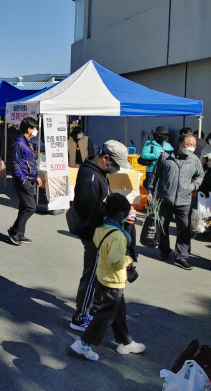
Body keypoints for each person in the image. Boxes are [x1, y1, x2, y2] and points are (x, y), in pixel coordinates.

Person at [70, 194, 145, 362]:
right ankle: (84, 343)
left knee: (118, 310)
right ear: (121, 215)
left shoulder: (101, 226)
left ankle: (125, 341)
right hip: (114, 280)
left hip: (103, 276)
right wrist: (129, 259)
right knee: (106, 315)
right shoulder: (117, 236)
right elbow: (116, 261)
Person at [69, 140, 131, 332]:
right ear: (105, 158)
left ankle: (93, 309)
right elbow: (92, 212)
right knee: (92, 275)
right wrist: (113, 216)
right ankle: (80, 317)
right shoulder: (91, 177)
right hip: (93, 233)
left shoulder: (97, 171)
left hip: (98, 231)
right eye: (115, 164)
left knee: (97, 273)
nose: (117, 168)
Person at [147, 133, 204, 270]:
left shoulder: (194, 160)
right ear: (179, 144)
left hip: (184, 201)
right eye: (188, 144)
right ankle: (164, 251)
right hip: (165, 199)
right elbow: (155, 175)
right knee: (163, 227)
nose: (191, 148)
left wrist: (193, 186)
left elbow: (200, 175)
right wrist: (150, 190)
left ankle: (181, 257)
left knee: (183, 230)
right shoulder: (165, 157)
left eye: (194, 145)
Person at [8, 117, 42, 246]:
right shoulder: (19, 143)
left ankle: (19, 234)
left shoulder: (28, 142)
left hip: (30, 178)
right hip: (23, 179)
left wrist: (37, 175)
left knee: (24, 207)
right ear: (29, 129)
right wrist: (22, 179)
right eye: (35, 128)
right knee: (30, 207)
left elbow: (31, 161)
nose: (36, 131)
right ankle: (14, 231)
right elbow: (15, 163)